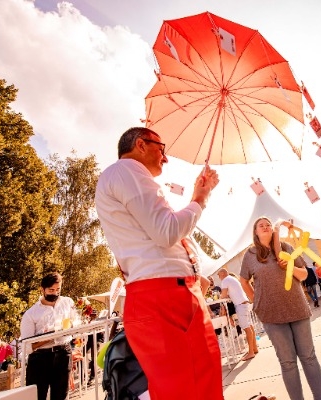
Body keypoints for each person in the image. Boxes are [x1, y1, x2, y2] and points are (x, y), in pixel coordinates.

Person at [94, 127, 223, 400]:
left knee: (198, 383)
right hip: (163, 296)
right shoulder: (126, 170)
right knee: (188, 388)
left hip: (170, 292)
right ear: (141, 144)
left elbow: (162, 235)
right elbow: (166, 231)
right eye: (162, 149)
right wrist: (200, 198)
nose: (165, 158)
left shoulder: (124, 176)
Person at [240, 217, 321, 400]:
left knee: (309, 357)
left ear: (273, 229)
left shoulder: (286, 247)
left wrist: (290, 267)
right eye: (260, 225)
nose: (265, 226)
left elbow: (304, 274)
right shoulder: (250, 255)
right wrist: (256, 301)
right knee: (287, 362)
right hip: (271, 315)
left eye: (268, 224)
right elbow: (243, 280)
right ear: (255, 232)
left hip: (297, 308)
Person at [20, 272, 75, 400]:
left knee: (61, 396)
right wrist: (51, 337)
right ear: (42, 289)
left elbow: (75, 322)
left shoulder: (68, 302)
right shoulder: (31, 314)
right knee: (37, 396)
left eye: (58, 290)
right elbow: (27, 346)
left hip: (63, 353)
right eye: (51, 290)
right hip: (40, 358)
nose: (55, 293)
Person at [217, 268, 258, 361]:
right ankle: (254, 348)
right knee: (250, 326)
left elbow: (223, 295)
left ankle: (251, 352)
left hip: (240, 305)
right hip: (245, 303)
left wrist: (220, 296)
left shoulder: (225, 280)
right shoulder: (232, 279)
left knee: (246, 328)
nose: (219, 278)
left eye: (219, 275)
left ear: (222, 274)